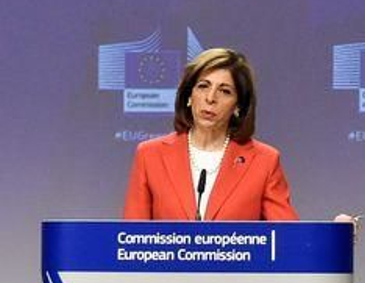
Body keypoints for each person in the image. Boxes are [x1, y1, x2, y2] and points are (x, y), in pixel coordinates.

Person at [123, 48, 297, 221]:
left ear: (238, 106)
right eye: (203, 86)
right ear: (189, 96)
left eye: (225, 91)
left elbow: (288, 236)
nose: (211, 98)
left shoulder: (264, 161)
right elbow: (132, 236)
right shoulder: (150, 155)